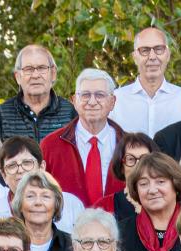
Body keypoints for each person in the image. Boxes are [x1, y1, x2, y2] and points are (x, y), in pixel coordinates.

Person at [40, 69, 126, 206]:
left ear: (112, 102)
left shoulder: (129, 146)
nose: (92, 102)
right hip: (67, 226)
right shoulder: (50, 146)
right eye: (85, 95)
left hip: (119, 225)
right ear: (74, 101)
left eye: (100, 95)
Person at [109, 27, 181, 137]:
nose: (152, 57)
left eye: (159, 49)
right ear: (134, 57)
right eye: (145, 50)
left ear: (168, 55)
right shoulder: (115, 101)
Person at [115, 153, 181, 251]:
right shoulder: (120, 233)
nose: (152, 190)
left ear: (176, 184)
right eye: (144, 184)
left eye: (160, 181)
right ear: (136, 190)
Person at [0, 45, 76, 142]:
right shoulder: (2, 114)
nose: (35, 75)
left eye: (42, 68)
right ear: (18, 77)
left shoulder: (70, 113)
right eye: (28, 69)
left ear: (53, 74)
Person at [0, 137, 85, 232]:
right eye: (12, 165)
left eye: (27, 163)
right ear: (3, 175)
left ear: (42, 167)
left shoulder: (72, 204)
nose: (20, 170)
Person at [11, 171, 77, 251]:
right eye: (30, 196)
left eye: (45, 196)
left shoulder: (72, 246)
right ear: (20, 204)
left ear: (56, 204)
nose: (38, 202)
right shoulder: (6, 244)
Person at [96, 132, 157, 218]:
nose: (138, 165)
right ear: (121, 167)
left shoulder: (168, 202)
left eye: (144, 159)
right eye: (131, 159)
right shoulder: (103, 207)